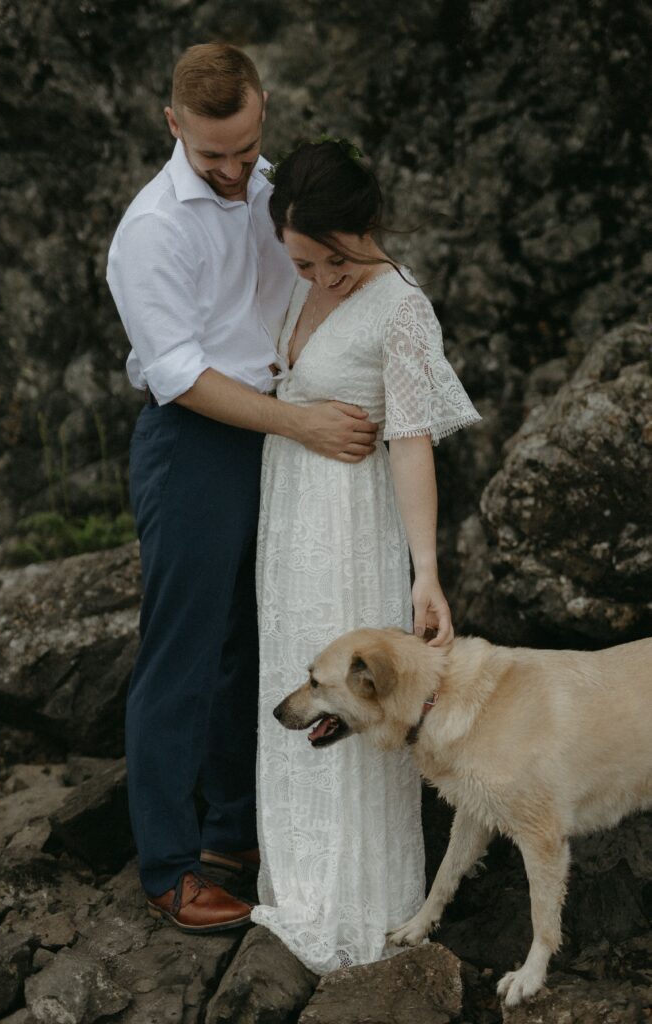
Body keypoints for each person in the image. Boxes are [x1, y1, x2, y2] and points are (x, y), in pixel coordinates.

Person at [106, 45, 379, 935]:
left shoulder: (274, 191)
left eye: (243, 146)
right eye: (210, 154)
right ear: (172, 123)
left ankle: (233, 834)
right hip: (194, 443)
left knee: (250, 643)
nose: (229, 171)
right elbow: (180, 375)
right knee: (180, 657)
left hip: (272, 435)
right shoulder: (151, 230)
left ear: (262, 108)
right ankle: (168, 867)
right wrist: (300, 424)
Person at [252, 139, 481, 972]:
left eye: (331, 261)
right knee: (292, 676)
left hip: (351, 526)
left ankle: (358, 908)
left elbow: (411, 442)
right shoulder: (305, 280)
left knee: (351, 699)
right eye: (303, 264)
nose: (318, 279)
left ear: (365, 227)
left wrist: (424, 568)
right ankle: (296, 880)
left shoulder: (401, 308)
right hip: (290, 524)